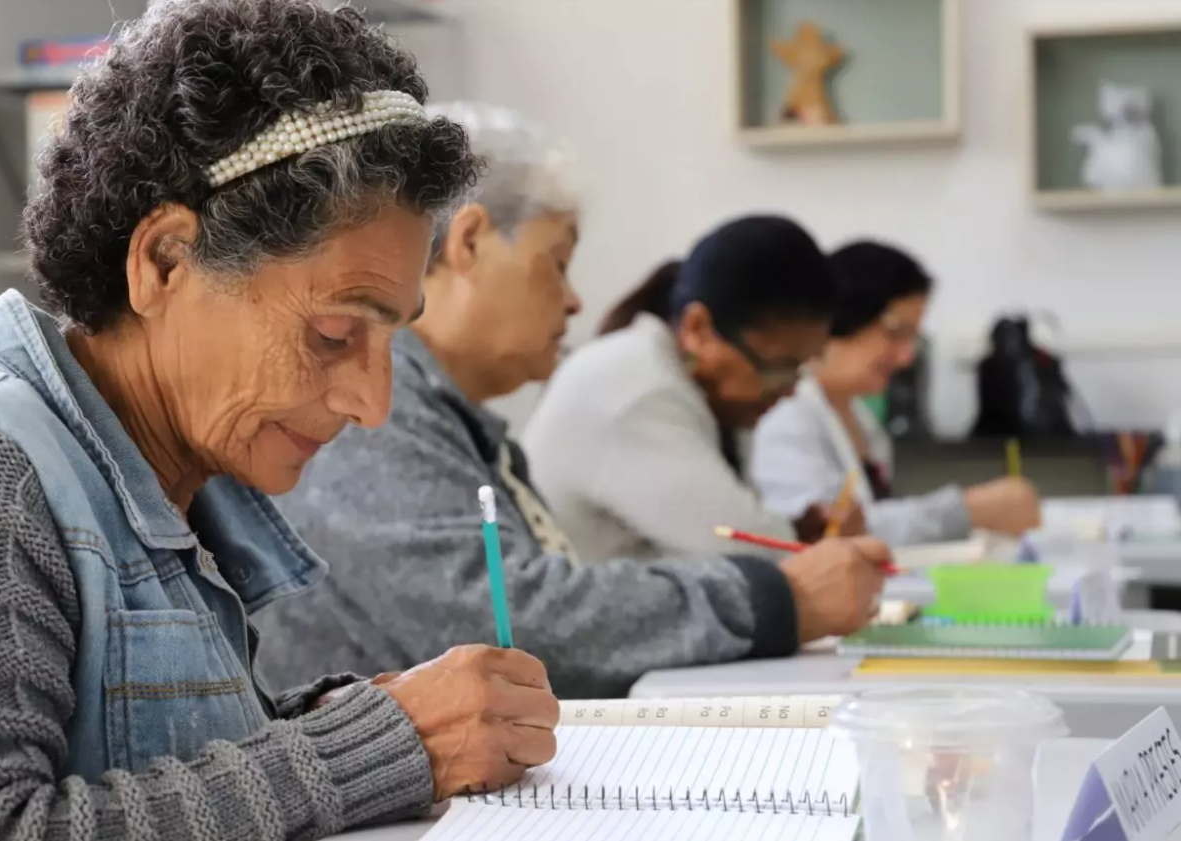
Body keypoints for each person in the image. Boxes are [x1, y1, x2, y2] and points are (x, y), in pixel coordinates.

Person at [0, 4, 560, 840]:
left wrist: (368, 719)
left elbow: (152, 760)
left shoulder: (180, 485)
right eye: (334, 334)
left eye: (391, 340)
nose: (373, 404)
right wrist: (384, 741)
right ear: (164, 261)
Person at [255, 111, 892, 701]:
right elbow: (514, 623)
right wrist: (775, 600)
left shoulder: (448, 415)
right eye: (556, 263)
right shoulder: (378, 414)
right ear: (469, 242)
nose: (574, 301)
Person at [521, 215, 866, 563]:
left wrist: (800, 529)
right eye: (777, 368)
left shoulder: (684, 383)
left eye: (800, 369)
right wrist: (799, 541)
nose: (789, 391)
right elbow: (747, 552)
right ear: (698, 328)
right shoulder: (637, 390)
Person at [751, 240, 1041, 545]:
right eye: (894, 333)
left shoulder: (856, 413)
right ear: (840, 317)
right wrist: (967, 511)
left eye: (912, 337)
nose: (907, 357)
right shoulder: (784, 416)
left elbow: (868, 518)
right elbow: (823, 531)